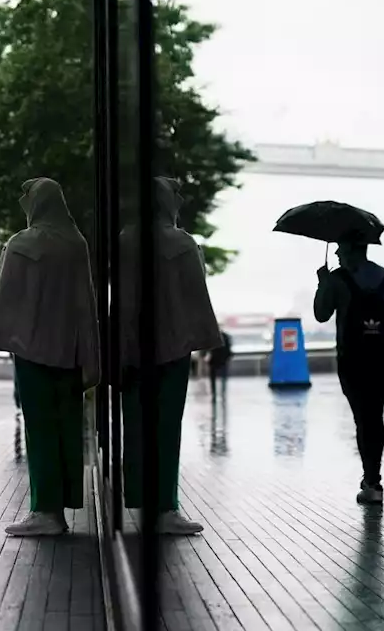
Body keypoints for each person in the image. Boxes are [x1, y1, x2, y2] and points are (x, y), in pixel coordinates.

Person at [0, 178, 99, 536]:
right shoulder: (76, 243)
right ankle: (62, 508)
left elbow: (9, 293)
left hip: (32, 349)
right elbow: (87, 301)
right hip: (71, 349)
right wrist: (91, 354)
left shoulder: (20, 245)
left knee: (40, 429)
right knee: (67, 427)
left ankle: (45, 511)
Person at [118, 178, 222, 535]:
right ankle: (166, 507)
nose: (179, 200)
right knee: (167, 428)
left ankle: (140, 500)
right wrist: (205, 342)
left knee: (136, 427)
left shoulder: (125, 240)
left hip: (132, 349)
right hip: (174, 349)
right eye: (176, 195)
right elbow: (197, 298)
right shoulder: (182, 243)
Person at [314, 238, 384, 505]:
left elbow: (321, 314)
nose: (336, 251)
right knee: (374, 415)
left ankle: (371, 480)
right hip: (382, 361)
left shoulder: (337, 280)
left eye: (341, 247)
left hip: (351, 361)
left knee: (363, 418)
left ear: (352, 249)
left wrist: (322, 283)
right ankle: (373, 478)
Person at [205, 329, 233, 396]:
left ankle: (214, 391)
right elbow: (228, 348)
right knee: (223, 376)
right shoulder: (225, 336)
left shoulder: (212, 337)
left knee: (213, 376)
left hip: (214, 359)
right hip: (222, 359)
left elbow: (208, 348)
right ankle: (223, 390)